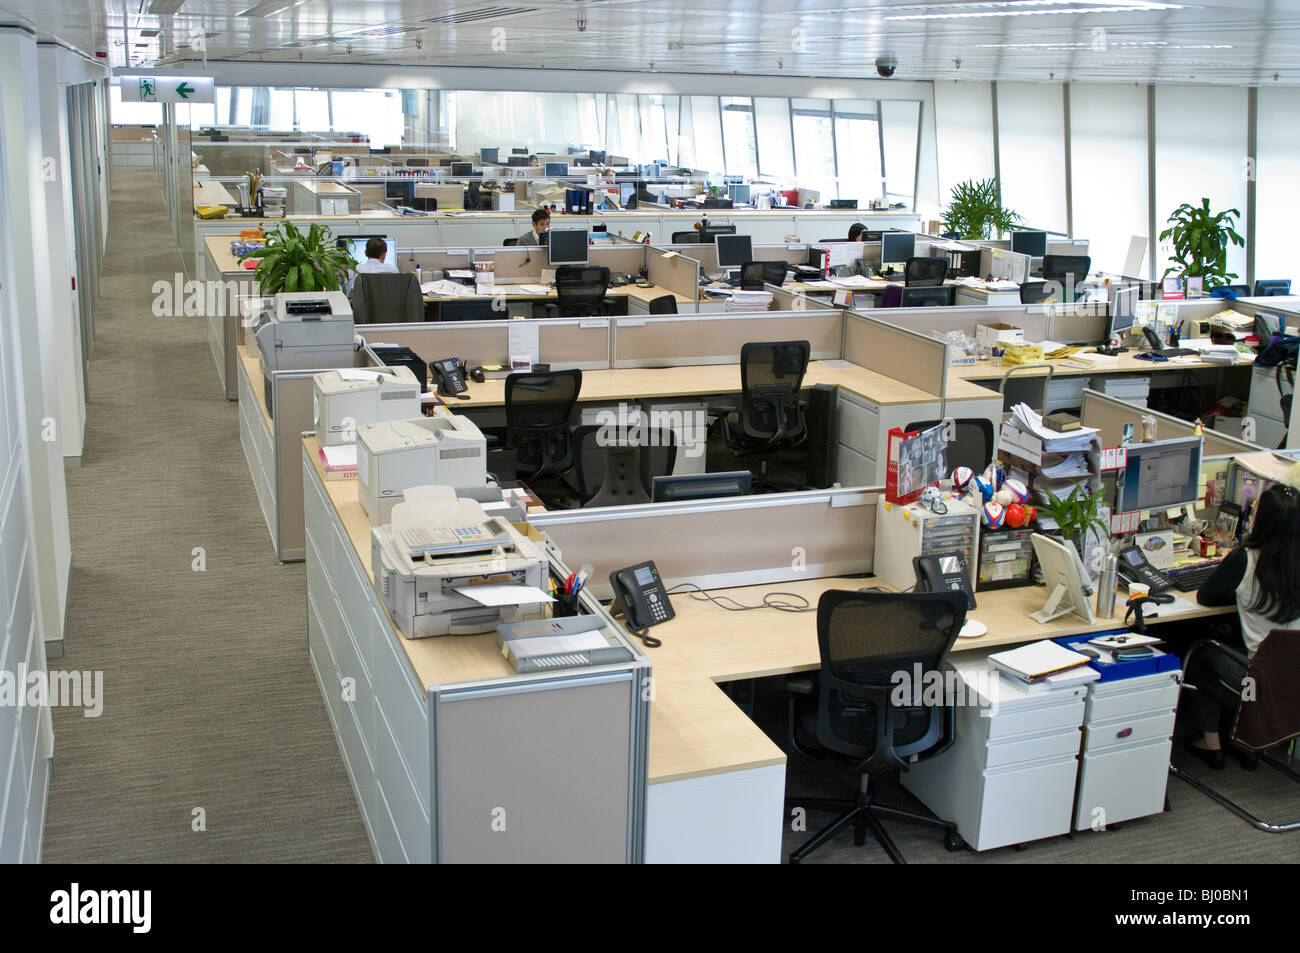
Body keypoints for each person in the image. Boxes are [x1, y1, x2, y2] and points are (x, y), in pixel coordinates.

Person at [1188, 480, 1300, 769]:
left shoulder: (1245, 560)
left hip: (1255, 685)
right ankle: (1249, 743)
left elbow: (1206, 596)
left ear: (1260, 521)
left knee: (1195, 649)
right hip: (1292, 684)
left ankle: (1211, 744)